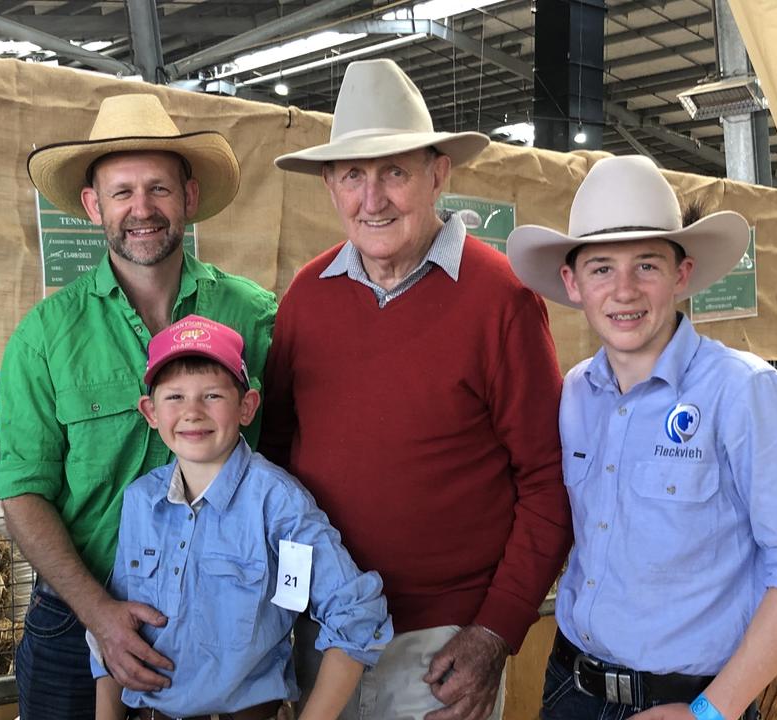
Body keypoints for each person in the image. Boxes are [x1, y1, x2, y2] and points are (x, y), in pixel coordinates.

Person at [264, 58, 572, 720]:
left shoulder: (501, 299)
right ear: (329, 185)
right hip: (324, 632)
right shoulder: (305, 299)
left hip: (441, 651)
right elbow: (276, 458)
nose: (372, 199)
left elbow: (548, 479)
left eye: (394, 172)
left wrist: (495, 631)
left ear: (439, 174)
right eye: (353, 176)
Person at [505, 155, 777, 720]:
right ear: (572, 284)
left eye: (646, 265)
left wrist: (711, 712)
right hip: (572, 688)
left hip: (693, 699)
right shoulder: (575, 396)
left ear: (681, 274)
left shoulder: (745, 393)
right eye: (600, 269)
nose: (624, 291)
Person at [0, 93, 277, 719]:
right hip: (75, 620)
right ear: (93, 205)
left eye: (159, 189)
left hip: (223, 622)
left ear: (190, 198)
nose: (142, 210)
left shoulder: (255, 317)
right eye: (121, 193)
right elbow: (21, 490)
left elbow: (281, 463)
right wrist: (99, 613)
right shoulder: (45, 336)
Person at [91, 315, 393, 720]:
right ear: (150, 411)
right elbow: (114, 631)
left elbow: (357, 615)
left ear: (247, 406)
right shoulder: (140, 501)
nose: (192, 412)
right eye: (174, 397)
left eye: (212, 396)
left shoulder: (277, 502)